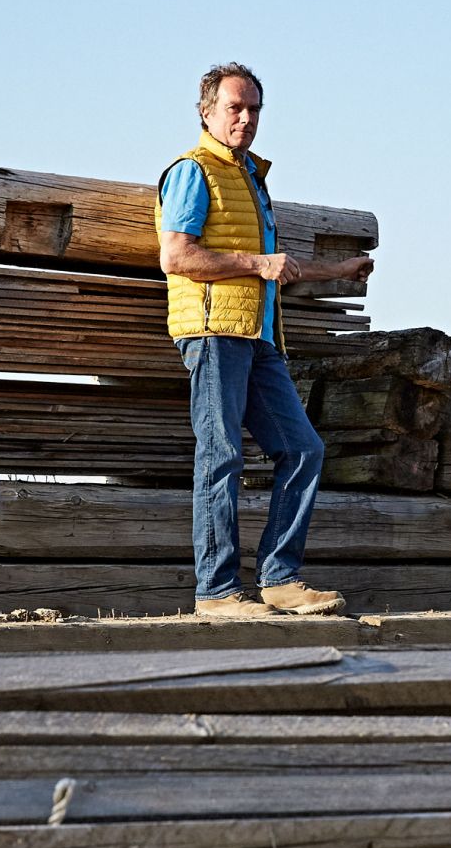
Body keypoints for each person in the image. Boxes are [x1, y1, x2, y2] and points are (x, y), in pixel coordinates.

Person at [156, 62, 374, 617]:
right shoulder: (192, 171)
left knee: (303, 449)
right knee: (221, 455)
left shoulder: (251, 176)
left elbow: (278, 268)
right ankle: (216, 592)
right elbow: (176, 256)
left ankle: (278, 580)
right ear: (207, 111)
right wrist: (256, 262)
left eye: (254, 109)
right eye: (236, 107)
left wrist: (339, 271)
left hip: (258, 337)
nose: (247, 118)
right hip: (212, 334)